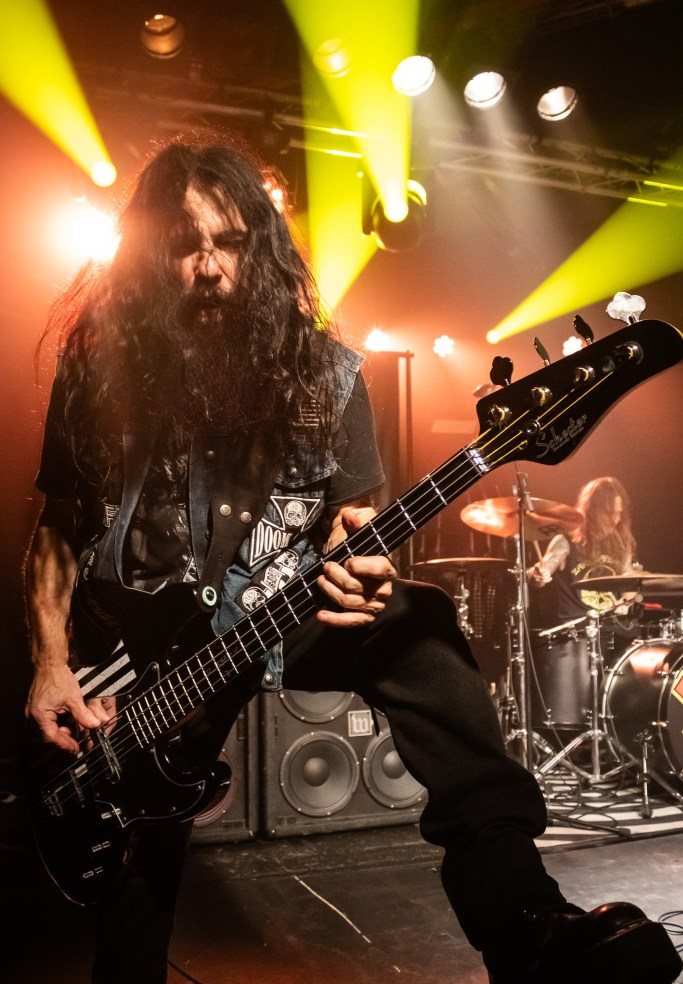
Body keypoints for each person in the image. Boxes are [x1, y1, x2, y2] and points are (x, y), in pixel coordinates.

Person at [24, 135, 681, 984]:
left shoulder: (326, 375)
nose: (210, 268)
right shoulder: (97, 364)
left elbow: (354, 520)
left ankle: (524, 920)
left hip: (275, 615)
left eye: (228, 243)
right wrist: (48, 662)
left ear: (259, 247)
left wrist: (361, 572)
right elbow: (58, 526)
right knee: (140, 853)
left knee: (420, 623)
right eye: (185, 247)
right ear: (152, 254)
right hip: (135, 653)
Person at [528, 476, 642, 651]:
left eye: (619, 513)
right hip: (577, 634)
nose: (616, 519)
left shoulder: (621, 545)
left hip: (616, 631)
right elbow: (540, 575)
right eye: (610, 513)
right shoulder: (565, 541)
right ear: (593, 511)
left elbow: (629, 587)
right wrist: (538, 574)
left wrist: (625, 603)